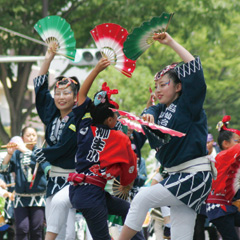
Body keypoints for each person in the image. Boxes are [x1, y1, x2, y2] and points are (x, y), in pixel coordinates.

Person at [118, 32, 213, 240]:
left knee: (142, 197)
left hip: (193, 176)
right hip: (177, 176)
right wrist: (147, 114)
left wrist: (170, 42)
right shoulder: (160, 111)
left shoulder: (188, 104)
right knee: (180, 236)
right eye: (157, 86)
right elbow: (152, 111)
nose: (158, 90)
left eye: (164, 85)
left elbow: (196, 74)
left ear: (179, 87)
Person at [68, 58, 145, 240]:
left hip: (82, 190)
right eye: (116, 116)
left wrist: (96, 69)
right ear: (110, 120)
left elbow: (81, 96)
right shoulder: (118, 137)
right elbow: (130, 166)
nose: (118, 119)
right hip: (90, 194)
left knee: (128, 210)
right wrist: (127, 182)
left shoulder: (84, 125)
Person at [33, 43, 80, 240]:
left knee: (68, 232)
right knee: (54, 227)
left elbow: (64, 147)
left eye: (66, 93)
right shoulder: (52, 116)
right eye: (58, 93)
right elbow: (40, 89)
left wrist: (42, 154)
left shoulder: (80, 119)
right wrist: (48, 58)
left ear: (76, 97)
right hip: (53, 180)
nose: (61, 97)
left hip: (74, 180)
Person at [1, 127, 49, 240]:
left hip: (38, 198)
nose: (31, 137)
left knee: (37, 229)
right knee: (22, 229)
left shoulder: (41, 152)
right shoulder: (17, 154)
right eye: (28, 135)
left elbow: (43, 165)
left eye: (33, 135)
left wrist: (25, 150)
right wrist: (9, 154)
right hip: (20, 198)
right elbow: (4, 170)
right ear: (22, 138)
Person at [206, 115, 240, 240]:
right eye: (238, 141)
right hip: (219, 208)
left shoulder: (231, 158)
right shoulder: (223, 156)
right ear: (225, 144)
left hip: (227, 207)